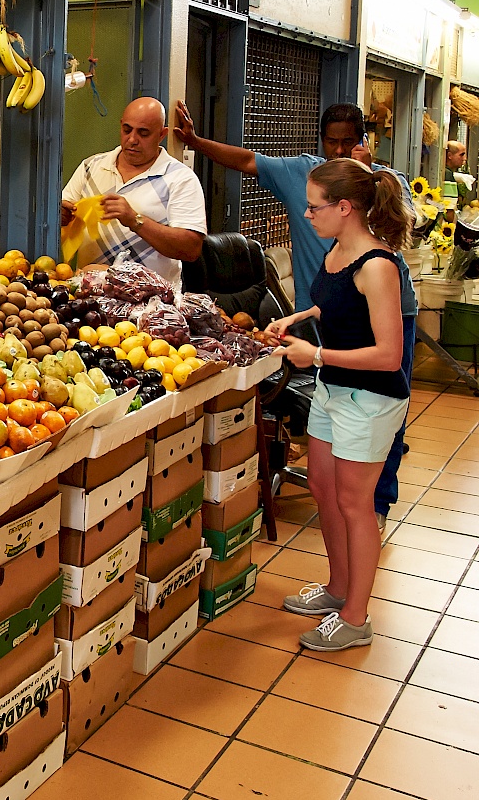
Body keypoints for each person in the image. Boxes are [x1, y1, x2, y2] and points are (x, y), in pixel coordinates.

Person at [174, 101, 415, 529]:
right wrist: (193, 142)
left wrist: (365, 173)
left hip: (382, 315)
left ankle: (375, 504)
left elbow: (386, 355)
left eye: (349, 141)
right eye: (331, 140)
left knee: (379, 415)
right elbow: (247, 159)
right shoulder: (306, 178)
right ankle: (346, 511)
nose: (339, 149)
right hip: (326, 317)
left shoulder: (379, 185)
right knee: (338, 427)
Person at [266, 159, 411, 651]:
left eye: (314, 207)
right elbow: (339, 306)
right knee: (326, 492)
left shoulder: (378, 266)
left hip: (368, 400)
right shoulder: (336, 252)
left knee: (355, 504)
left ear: (345, 208)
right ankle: (336, 588)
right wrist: (301, 317)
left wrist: (317, 354)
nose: (307, 215)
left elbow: (389, 355)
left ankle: (355, 617)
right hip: (333, 389)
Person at [59, 97, 207, 289]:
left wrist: (135, 220)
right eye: (127, 130)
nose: (132, 140)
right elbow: (61, 212)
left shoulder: (180, 179)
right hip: (90, 297)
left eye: (143, 133)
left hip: (151, 304)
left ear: (161, 134)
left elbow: (191, 249)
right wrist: (60, 216)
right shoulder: (91, 166)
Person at [445, 140, 471, 205]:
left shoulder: (448, 172)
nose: (464, 158)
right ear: (449, 155)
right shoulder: (447, 174)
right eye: (461, 155)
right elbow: (449, 207)